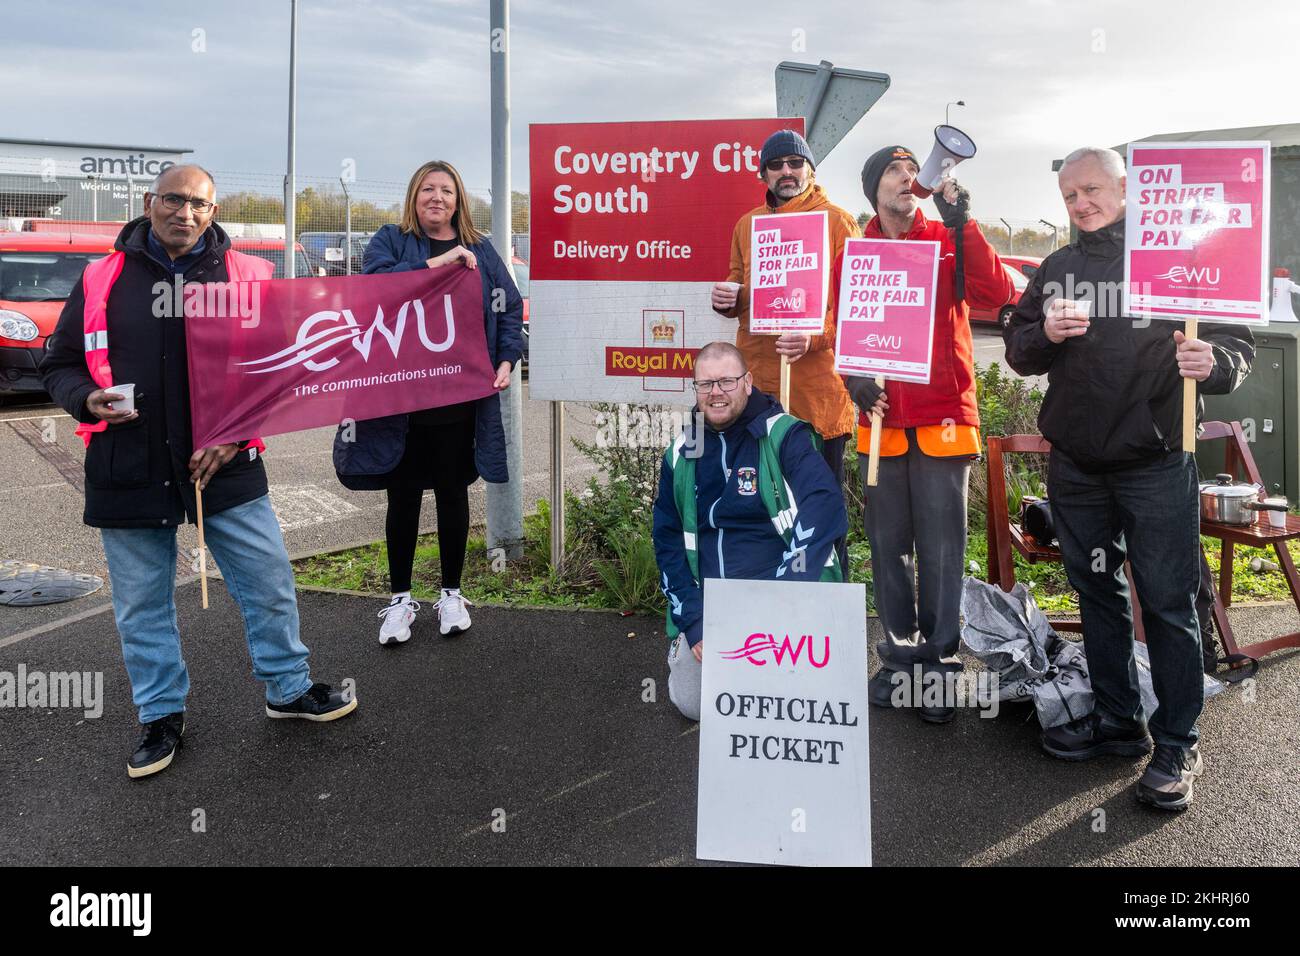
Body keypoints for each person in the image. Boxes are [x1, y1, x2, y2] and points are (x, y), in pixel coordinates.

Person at [40, 164, 357, 780]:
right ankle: (161, 717)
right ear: (150, 202)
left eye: (200, 205)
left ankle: (287, 689)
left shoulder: (248, 276)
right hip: (128, 464)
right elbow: (60, 362)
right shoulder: (104, 276)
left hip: (228, 463)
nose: (185, 213)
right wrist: (84, 399)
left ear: (213, 212)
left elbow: (283, 369)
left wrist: (237, 435)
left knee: (267, 582)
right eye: (174, 200)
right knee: (141, 603)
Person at [1004, 146, 1254, 810]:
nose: (1080, 204)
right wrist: (1045, 333)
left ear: (1125, 187)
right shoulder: (1056, 269)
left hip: (1156, 464)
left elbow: (1237, 345)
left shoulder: (1180, 257)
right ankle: (1119, 723)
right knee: (1097, 594)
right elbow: (1019, 348)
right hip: (1078, 467)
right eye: (1068, 196)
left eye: (1090, 190)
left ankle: (1176, 741)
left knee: (1169, 605)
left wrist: (1216, 363)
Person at [840, 145, 1012, 723]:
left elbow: (996, 294)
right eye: (896, 171)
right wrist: (854, 377)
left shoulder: (946, 241)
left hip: (943, 417)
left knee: (941, 551)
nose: (909, 179)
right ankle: (899, 659)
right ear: (874, 189)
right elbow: (841, 326)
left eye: (916, 171)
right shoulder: (854, 253)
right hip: (882, 424)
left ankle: (938, 666)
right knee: (889, 551)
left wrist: (965, 226)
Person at [332, 160, 523, 645]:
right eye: (428, 189)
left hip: (457, 399)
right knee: (404, 497)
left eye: (447, 190)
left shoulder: (483, 250)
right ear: (415, 196)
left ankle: (452, 595)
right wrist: (438, 262)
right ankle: (399, 601)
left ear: (459, 199)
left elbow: (508, 306)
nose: (437, 197)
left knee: (453, 492)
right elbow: (375, 289)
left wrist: (506, 358)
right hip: (400, 401)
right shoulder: (390, 240)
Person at [652, 341, 848, 720]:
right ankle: (692, 654)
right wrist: (692, 621)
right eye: (705, 385)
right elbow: (667, 539)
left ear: (748, 382)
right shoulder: (682, 450)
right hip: (714, 610)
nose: (716, 393)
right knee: (695, 705)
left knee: (798, 705)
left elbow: (826, 505)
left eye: (726, 381)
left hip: (782, 597)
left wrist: (786, 587)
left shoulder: (783, 435)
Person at [711, 129, 860, 567]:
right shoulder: (747, 224)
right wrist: (729, 299)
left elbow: (854, 308)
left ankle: (827, 604)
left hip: (816, 396)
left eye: (795, 163)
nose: (787, 171)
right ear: (764, 173)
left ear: (811, 169)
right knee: (760, 506)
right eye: (776, 164)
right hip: (758, 393)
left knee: (820, 506)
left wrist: (813, 337)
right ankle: (769, 602)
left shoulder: (837, 221)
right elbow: (740, 289)